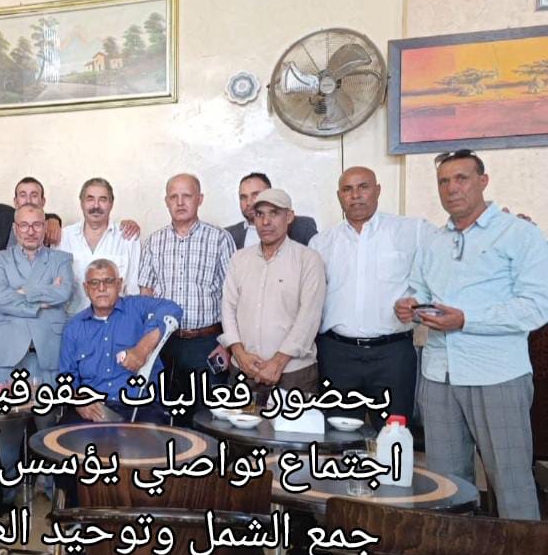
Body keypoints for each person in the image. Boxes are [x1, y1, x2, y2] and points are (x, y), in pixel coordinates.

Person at [395, 150, 548, 520]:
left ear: (483, 181)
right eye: (444, 181)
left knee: (511, 482)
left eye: (461, 178)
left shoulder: (520, 234)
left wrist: (467, 320)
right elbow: (419, 290)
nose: (452, 188)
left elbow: (536, 307)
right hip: (438, 375)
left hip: (496, 375)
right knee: (445, 484)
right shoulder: (433, 241)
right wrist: (409, 305)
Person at [310, 166, 430, 427]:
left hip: (392, 355)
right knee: (338, 435)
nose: (355, 195)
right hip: (337, 355)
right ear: (339, 196)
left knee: (394, 434)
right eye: (347, 189)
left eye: (363, 187)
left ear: (377, 190)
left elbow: (439, 272)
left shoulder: (412, 231)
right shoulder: (321, 243)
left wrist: (417, 302)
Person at [0, 204, 74, 503]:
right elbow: (0, 297)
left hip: (48, 352)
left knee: (48, 426)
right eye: (24, 225)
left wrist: (24, 293)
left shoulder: (62, 259)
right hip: (8, 356)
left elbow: (64, 293)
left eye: (37, 224)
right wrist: (43, 297)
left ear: (45, 228)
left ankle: (49, 487)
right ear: (15, 229)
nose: (30, 231)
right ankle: (7, 490)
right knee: (8, 428)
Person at [140, 174, 235, 418]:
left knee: (210, 417)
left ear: (200, 199)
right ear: (166, 201)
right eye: (174, 197)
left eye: (187, 196)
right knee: (165, 416)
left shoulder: (219, 239)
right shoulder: (153, 242)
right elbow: (145, 296)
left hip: (208, 344)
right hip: (164, 344)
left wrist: (228, 345)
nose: (180, 202)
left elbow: (234, 296)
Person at [221, 188, 326, 396]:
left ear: (289, 217)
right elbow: (228, 308)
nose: (265, 222)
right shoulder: (240, 259)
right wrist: (239, 353)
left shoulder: (308, 259)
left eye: (274, 213)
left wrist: (278, 362)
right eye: (259, 214)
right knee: (236, 419)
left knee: (293, 420)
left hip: (293, 372)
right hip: (244, 369)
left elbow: (309, 318)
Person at [58, 259, 180, 423]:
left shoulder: (137, 307)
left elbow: (173, 309)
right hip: (94, 407)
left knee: (150, 437)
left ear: (119, 284)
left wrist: (142, 349)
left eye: (108, 281)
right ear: (86, 288)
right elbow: (66, 376)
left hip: (140, 406)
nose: (101, 288)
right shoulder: (74, 327)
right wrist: (78, 400)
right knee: (57, 436)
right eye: (94, 283)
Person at [58, 178, 142, 316]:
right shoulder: (62, 237)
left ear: (111, 204)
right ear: (81, 203)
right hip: (72, 321)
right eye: (90, 199)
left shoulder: (128, 238)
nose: (96, 205)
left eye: (103, 199)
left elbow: (133, 291)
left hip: (115, 322)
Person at [225, 172, 318, 250]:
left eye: (255, 195)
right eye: (243, 197)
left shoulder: (302, 227)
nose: (248, 202)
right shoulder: (228, 235)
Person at [13, 176, 63, 247]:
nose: (28, 201)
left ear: (43, 201)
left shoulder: (48, 225)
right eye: (23, 195)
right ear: (15, 202)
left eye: (34, 196)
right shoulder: (3, 221)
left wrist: (53, 219)